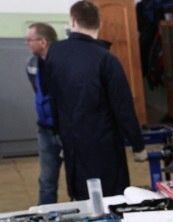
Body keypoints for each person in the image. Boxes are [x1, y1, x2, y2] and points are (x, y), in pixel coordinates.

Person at [45, 1, 147, 201]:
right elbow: (123, 107)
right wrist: (138, 146)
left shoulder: (55, 53)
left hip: (71, 141)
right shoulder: (106, 59)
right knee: (110, 198)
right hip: (103, 144)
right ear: (100, 23)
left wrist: (58, 133)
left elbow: (52, 97)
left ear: (73, 21)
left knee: (82, 195)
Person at [25, 22, 63, 205]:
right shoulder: (31, 64)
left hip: (66, 129)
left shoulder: (63, 63)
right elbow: (38, 91)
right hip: (45, 131)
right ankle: (47, 215)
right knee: (47, 181)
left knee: (80, 177)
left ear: (43, 41)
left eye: (29, 40)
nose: (27, 44)